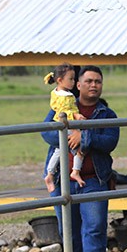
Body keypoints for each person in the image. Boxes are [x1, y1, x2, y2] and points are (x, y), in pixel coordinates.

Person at [41, 65, 120, 252]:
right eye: (88, 81)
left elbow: (109, 142)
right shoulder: (62, 105)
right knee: (69, 229)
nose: (93, 85)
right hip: (63, 179)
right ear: (78, 85)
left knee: (94, 226)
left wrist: (83, 136)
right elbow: (46, 132)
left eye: (98, 81)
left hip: (93, 178)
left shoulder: (106, 113)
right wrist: (69, 135)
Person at [43, 63, 86, 192]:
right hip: (67, 125)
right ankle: (75, 171)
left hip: (69, 124)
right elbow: (61, 112)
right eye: (71, 79)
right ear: (60, 80)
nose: (73, 82)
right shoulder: (61, 96)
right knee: (80, 148)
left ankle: (50, 174)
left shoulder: (63, 93)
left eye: (74, 79)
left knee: (59, 149)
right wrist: (75, 115)